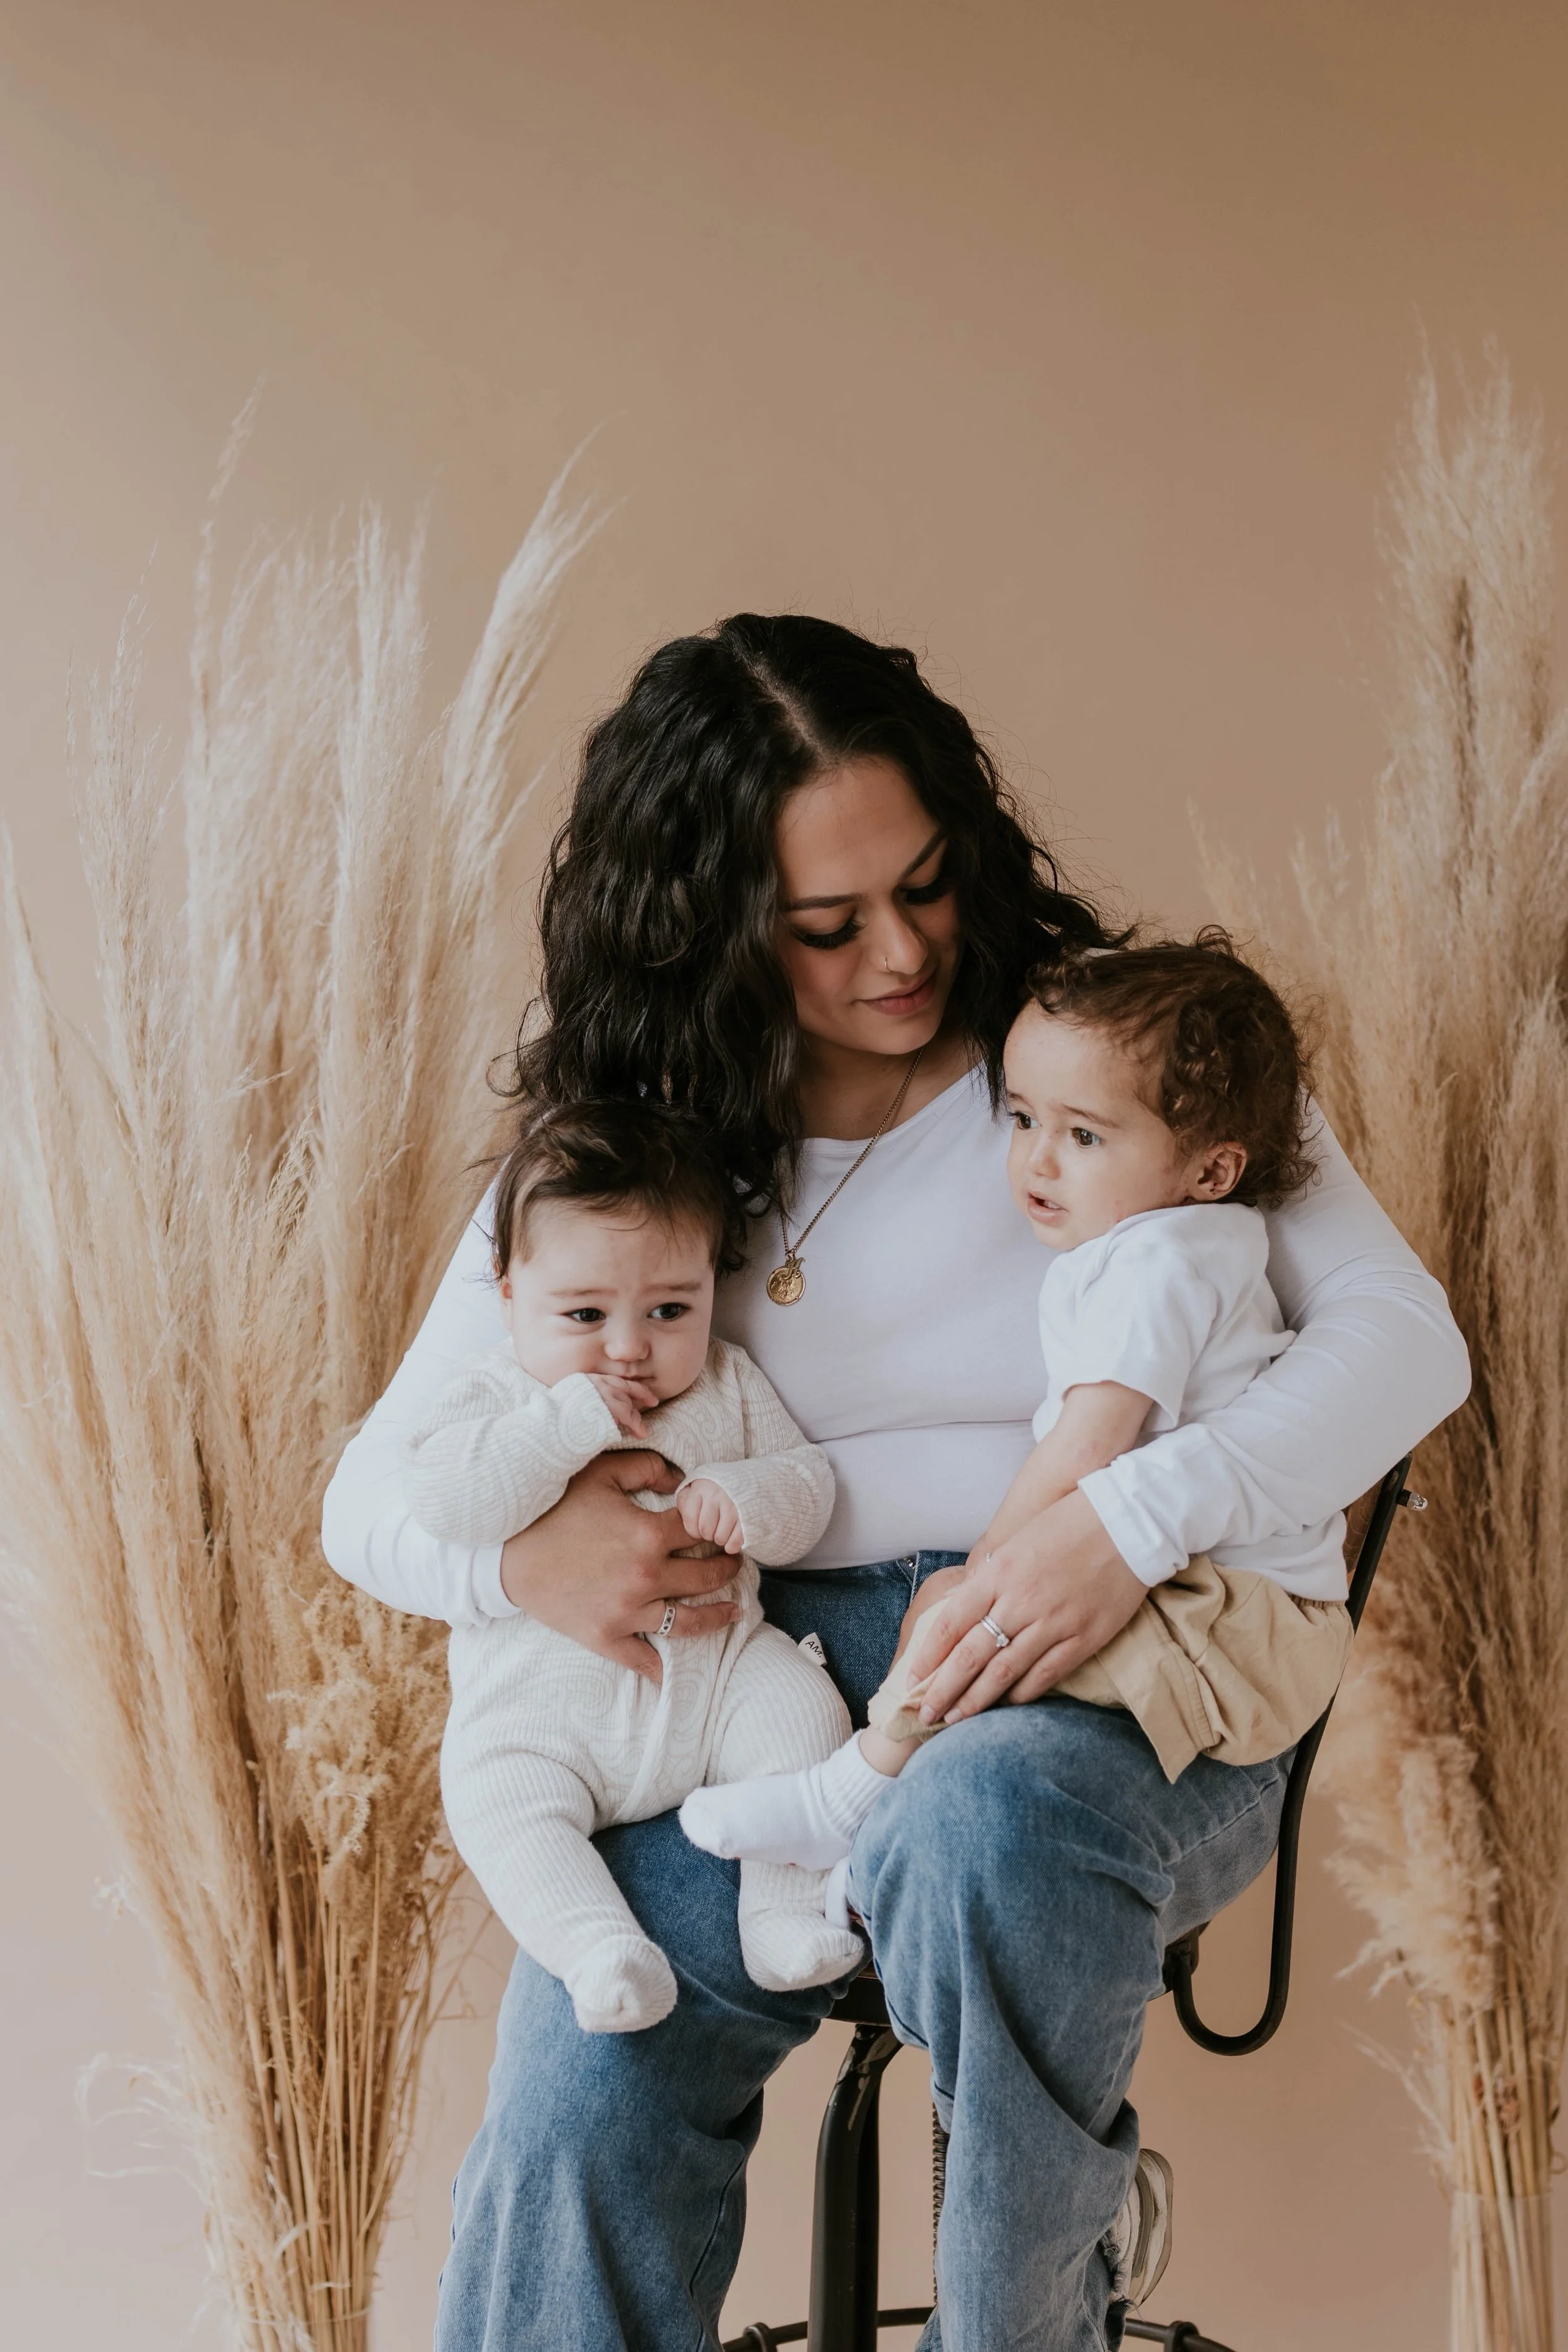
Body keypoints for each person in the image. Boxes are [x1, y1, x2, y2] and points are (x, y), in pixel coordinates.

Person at [320, 614, 1470, 2352]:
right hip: (770, 1708)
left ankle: (1030, 2301)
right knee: (587, 2052)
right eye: (826, 923)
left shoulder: (1102, 1056)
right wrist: (516, 1567)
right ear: (704, 925)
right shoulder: (635, 1144)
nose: (904, 951)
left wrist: (1120, 1522)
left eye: (924, 885)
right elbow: (368, 1500)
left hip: (1117, 1687)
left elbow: (1404, 1346)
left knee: (981, 1822)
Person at [680, 931, 1356, 1895]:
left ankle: (846, 1807)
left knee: (977, 1633)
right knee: (988, 1637)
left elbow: (1088, 1444)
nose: (1036, 1160)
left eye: (1084, 1137)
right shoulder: (1159, 1244)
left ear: (1211, 1170)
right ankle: (861, 1837)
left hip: (1225, 1611)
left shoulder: (1161, 1264)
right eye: (1025, 1117)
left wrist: (982, 1569)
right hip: (1195, 1581)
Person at [405, 1096, 861, 2037]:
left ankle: (780, 1915)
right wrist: (561, 1422)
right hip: (542, 1718)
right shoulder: (495, 1393)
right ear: (508, 1295)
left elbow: (807, 1484)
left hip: (717, 1683)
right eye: (585, 1313)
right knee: (493, 1797)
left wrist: (747, 1496)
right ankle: (598, 1951)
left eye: (669, 1310)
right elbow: (449, 1501)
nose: (627, 1347)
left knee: (803, 1710)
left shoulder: (727, 1383)